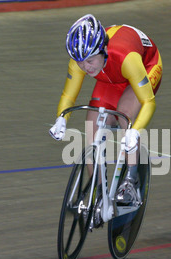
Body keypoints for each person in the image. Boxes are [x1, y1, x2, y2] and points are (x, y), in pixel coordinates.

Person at [50, 14, 162, 205]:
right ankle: (99, 190)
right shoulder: (81, 59)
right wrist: (61, 118)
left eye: (90, 61)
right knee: (91, 124)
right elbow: (68, 96)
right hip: (110, 75)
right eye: (80, 62)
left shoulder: (127, 58)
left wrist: (133, 132)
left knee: (124, 115)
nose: (85, 67)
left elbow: (149, 102)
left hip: (144, 66)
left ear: (102, 50)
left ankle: (131, 182)